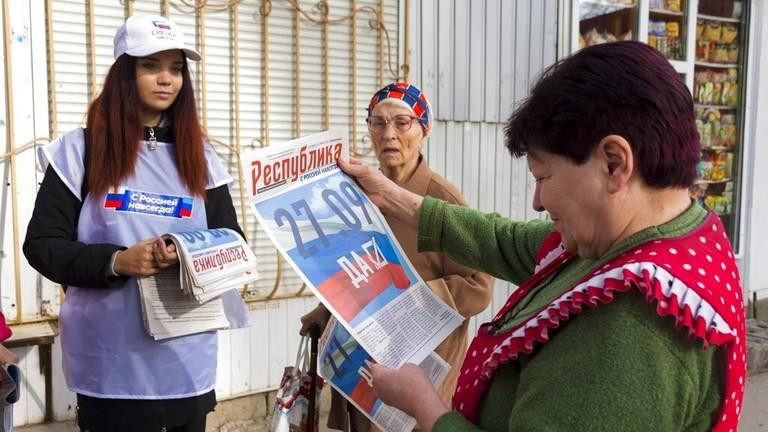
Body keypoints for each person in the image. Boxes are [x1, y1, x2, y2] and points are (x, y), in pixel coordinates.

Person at [339, 42, 746, 431]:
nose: (537, 202)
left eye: (543, 176)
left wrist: (425, 406)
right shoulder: (645, 237)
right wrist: (391, 195)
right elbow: (504, 241)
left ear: (613, 163)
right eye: (378, 122)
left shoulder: (629, 331)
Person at [23, 14, 248, 432]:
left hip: (187, 360)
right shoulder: (80, 151)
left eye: (176, 68)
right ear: (124, 72)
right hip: (110, 365)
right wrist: (118, 261)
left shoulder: (201, 156)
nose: (166, 79)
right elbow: (42, 244)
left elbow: (233, 241)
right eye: (150, 66)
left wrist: (184, 252)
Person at [300, 82, 494, 431]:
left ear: (424, 131)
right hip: (361, 368)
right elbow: (352, 271)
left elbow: (478, 286)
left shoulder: (443, 200)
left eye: (402, 123)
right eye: (378, 123)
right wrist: (325, 311)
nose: (389, 134)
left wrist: (410, 298)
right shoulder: (356, 195)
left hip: (420, 371)